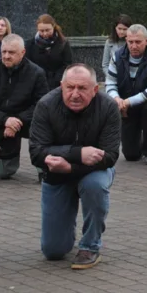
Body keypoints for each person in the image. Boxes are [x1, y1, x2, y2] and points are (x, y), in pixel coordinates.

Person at [29, 64, 121, 270]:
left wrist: (70, 168)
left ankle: (90, 245)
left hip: (93, 173)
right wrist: (78, 153)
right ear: (61, 86)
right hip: (56, 177)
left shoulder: (108, 107)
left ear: (95, 89)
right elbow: (36, 152)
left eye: (82, 88)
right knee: (53, 251)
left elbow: (110, 156)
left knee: (95, 186)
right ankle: (64, 230)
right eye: (70, 88)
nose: (75, 94)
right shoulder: (45, 105)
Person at [0, 34, 49, 179]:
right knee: (2, 173)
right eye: (4, 52)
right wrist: (5, 120)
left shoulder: (37, 73)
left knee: (45, 126)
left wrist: (17, 120)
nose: (6, 56)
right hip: (2, 123)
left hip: (28, 121)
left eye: (11, 52)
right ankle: (8, 156)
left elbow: (41, 104)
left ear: (22, 53)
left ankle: (43, 166)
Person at [105, 24, 147, 164]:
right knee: (131, 155)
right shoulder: (117, 56)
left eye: (138, 42)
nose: (134, 46)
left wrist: (128, 102)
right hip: (126, 104)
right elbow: (110, 83)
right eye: (130, 42)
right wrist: (117, 99)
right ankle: (141, 142)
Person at [26, 14, 74, 86]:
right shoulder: (30, 44)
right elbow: (28, 64)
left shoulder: (63, 43)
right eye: (41, 31)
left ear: (53, 27)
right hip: (37, 83)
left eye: (47, 30)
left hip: (57, 83)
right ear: (37, 29)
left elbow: (67, 64)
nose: (45, 33)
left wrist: (57, 79)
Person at [101, 14, 133, 79]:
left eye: (125, 29)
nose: (121, 32)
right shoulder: (109, 42)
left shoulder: (133, 42)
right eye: (119, 28)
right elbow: (105, 65)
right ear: (115, 28)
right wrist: (111, 77)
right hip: (113, 79)